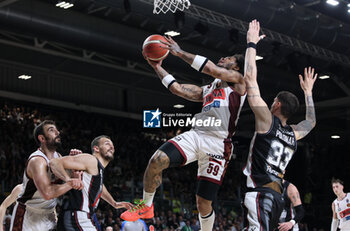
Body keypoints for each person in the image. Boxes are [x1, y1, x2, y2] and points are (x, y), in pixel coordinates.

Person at [121, 34, 247, 231]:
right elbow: (178, 89)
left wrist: (179, 53)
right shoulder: (209, 88)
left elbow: (210, 68)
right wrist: (157, 67)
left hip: (218, 144)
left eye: (229, 58)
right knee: (157, 160)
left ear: (237, 66)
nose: (223, 58)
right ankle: (146, 206)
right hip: (196, 135)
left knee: (203, 203)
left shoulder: (239, 81)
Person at [242, 19, 317, 231]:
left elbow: (249, 78)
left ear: (276, 104)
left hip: (260, 194)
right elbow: (310, 122)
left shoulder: (267, 121)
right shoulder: (293, 134)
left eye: (274, 99)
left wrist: (251, 43)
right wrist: (308, 93)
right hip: (277, 198)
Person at [10, 120, 83, 231]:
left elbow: (70, 182)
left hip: (49, 214)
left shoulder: (58, 157)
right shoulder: (37, 161)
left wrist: (75, 166)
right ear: (42, 138)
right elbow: (48, 193)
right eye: (51, 130)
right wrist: (71, 183)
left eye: (56, 130)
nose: (57, 132)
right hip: (28, 215)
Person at [50, 135, 133, 230]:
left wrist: (114, 203)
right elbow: (54, 162)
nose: (111, 147)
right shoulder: (91, 160)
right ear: (96, 148)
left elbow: (99, 187)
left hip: (81, 216)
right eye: (107, 144)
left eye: (112, 145)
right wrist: (68, 180)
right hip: (77, 215)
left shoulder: (98, 169)